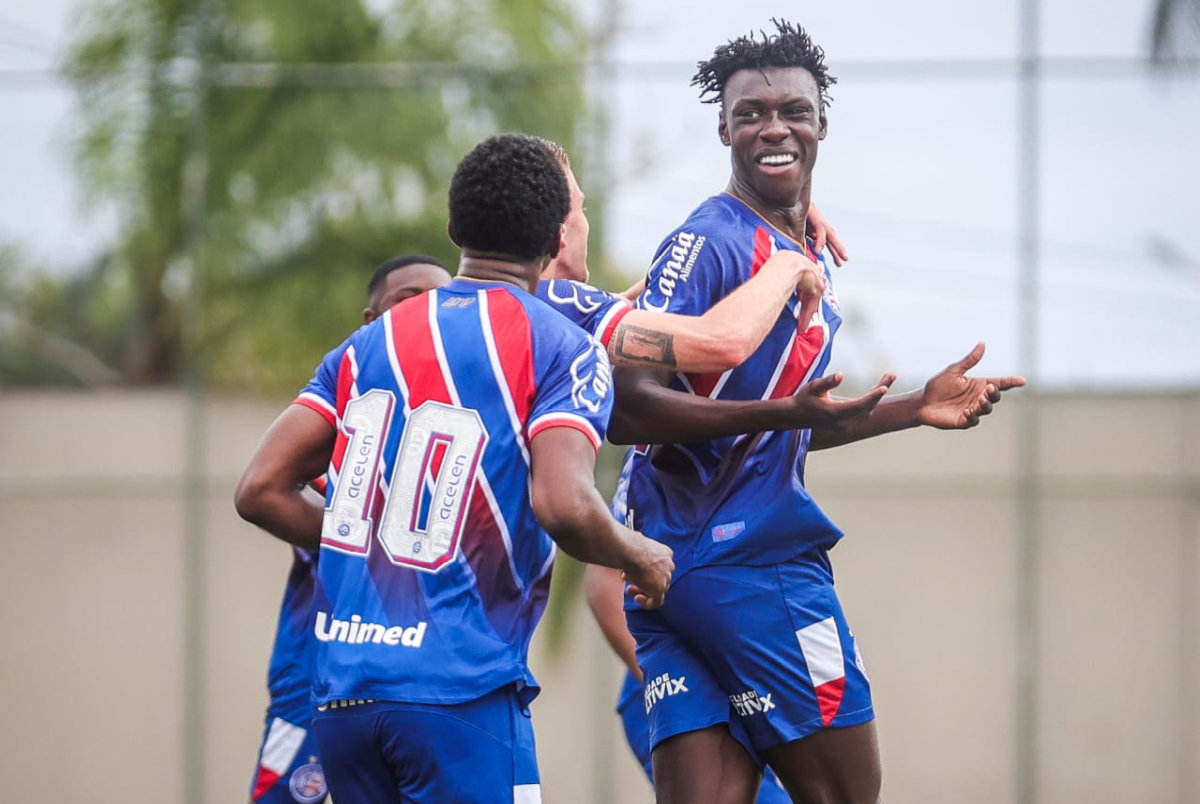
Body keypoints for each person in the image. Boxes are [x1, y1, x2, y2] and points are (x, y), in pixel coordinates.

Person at [616, 20, 1027, 804]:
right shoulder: (709, 241)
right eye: (750, 113)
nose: (774, 126)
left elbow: (786, 422)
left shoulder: (804, 250)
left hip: (674, 573)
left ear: (821, 124)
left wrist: (914, 407)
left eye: (793, 110)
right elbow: (630, 407)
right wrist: (778, 415)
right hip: (751, 568)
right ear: (724, 129)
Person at [234, 133, 674, 804]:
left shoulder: (363, 345)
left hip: (345, 698)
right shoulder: (563, 346)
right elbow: (565, 505)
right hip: (457, 692)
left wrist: (371, 549)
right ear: (558, 240)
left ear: (453, 229)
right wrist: (641, 555)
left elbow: (260, 489)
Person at [246, 254, 452, 804]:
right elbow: (264, 489)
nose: (427, 313)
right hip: (320, 676)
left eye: (442, 301)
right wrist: (364, 540)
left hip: (423, 682)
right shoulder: (350, 418)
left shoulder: (463, 424)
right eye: (410, 299)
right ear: (369, 319)